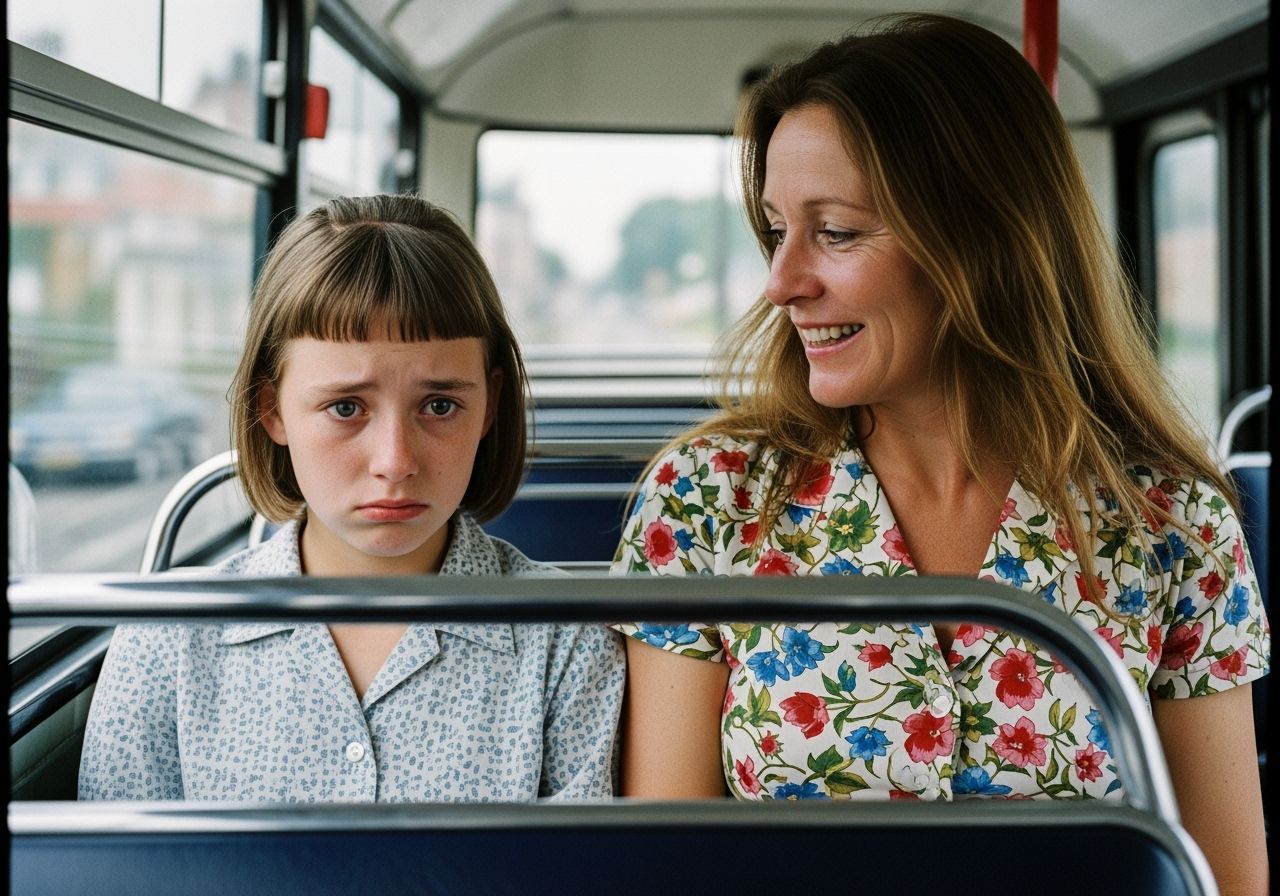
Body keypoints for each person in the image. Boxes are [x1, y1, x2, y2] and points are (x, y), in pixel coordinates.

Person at [612, 14, 1268, 893]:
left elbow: (1219, 877)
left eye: (836, 232)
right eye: (776, 231)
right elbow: (665, 864)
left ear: (980, 240)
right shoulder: (708, 499)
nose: (782, 282)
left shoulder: (1170, 522)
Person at [80, 195, 625, 802]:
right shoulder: (164, 642)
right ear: (272, 408)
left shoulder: (565, 643)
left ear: (488, 407)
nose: (395, 461)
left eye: (440, 406)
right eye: (346, 408)